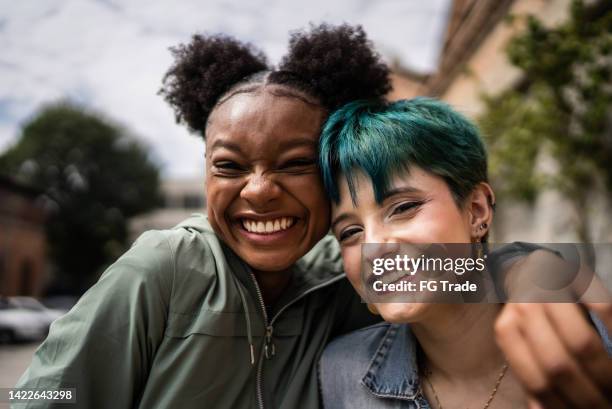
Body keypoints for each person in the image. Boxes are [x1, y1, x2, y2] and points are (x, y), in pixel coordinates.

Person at [13, 24, 389, 409]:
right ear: (206, 173)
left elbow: (454, 279)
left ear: (334, 170)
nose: (258, 190)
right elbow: (40, 394)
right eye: (229, 166)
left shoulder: (348, 271)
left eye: (295, 164)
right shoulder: (164, 266)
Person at [317, 98, 612, 409]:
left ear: (476, 210)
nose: (374, 248)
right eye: (350, 232)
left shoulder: (592, 337)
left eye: (403, 208)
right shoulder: (341, 375)